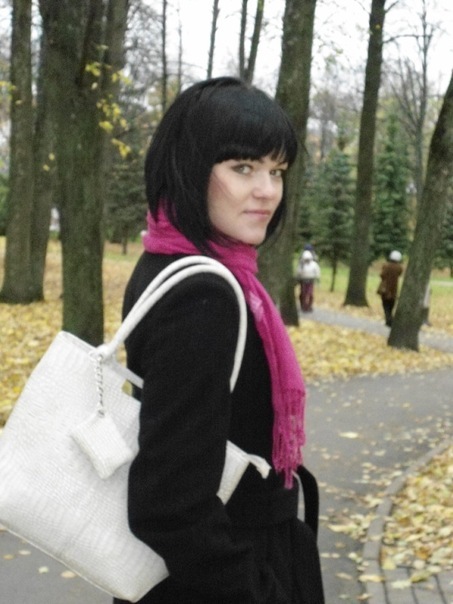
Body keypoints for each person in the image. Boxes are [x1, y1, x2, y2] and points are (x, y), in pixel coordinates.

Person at [117, 77, 324, 604]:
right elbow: (169, 505)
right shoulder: (203, 293)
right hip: (219, 576)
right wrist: (259, 592)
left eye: (277, 171)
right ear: (189, 168)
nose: (268, 191)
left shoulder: (168, 263)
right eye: (243, 168)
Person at [377, 250, 404, 326]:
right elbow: (400, 274)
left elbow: (382, 275)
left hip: (385, 289)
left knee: (385, 305)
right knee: (391, 305)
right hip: (394, 289)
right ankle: (389, 319)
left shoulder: (386, 266)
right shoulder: (399, 268)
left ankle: (388, 319)